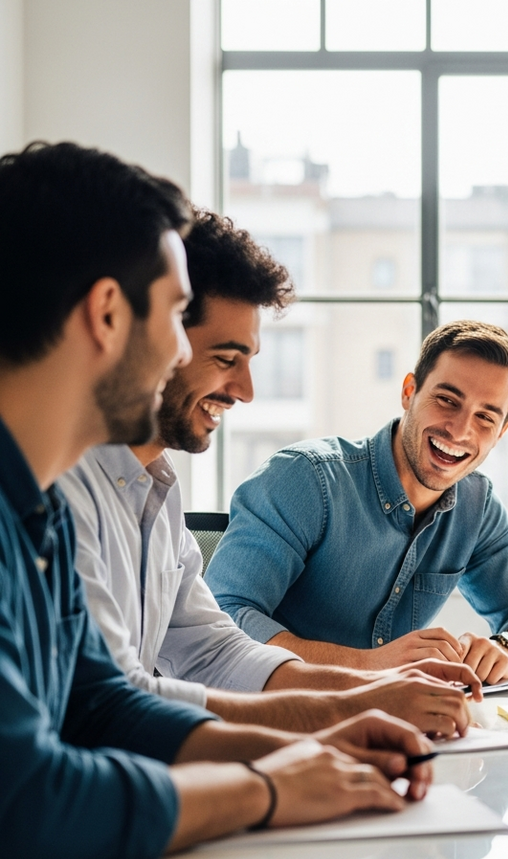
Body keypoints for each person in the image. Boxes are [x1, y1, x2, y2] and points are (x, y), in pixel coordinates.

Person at [0, 141, 432, 859]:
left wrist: (305, 746)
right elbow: (25, 803)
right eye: (174, 315)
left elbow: (100, 703)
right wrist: (265, 790)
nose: (177, 351)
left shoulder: (29, 510)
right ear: (107, 313)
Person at [58, 209, 479, 738]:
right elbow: (112, 701)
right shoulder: (59, 489)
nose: (245, 390)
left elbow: (214, 651)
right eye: (226, 357)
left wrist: (370, 694)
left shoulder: (155, 488)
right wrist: (344, 713)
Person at [205, 320, 508, 684]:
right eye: (447, 400)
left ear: (501, 432)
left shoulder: (475, 506)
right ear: (409, 391)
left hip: (388, 724)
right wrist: (370, 665)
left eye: (485, 417)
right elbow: (221, 619)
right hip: (277, 720)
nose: (460, 431)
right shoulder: (305, 479)